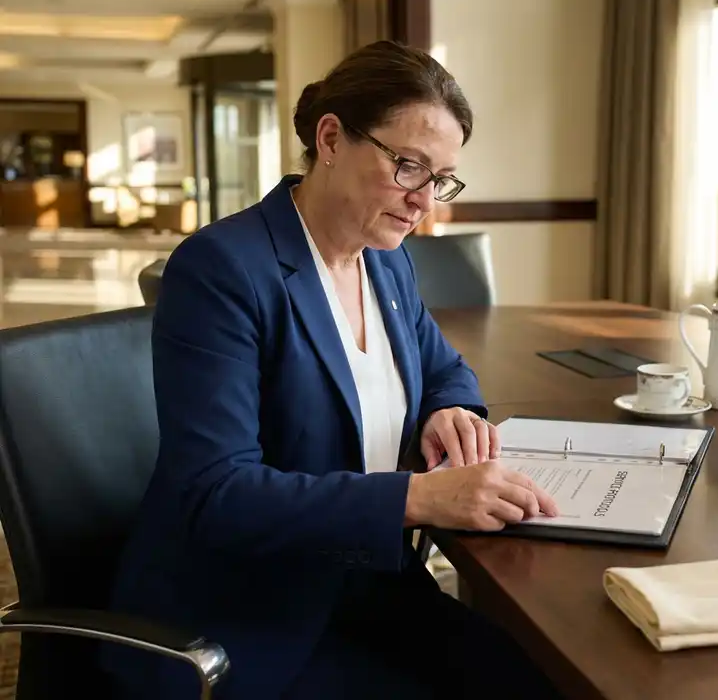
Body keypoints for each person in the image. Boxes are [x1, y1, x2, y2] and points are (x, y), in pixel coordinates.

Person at [102, 40, 563, 699]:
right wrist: (417, 497)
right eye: (409, 167)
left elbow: (444, 366)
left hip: (366, 584)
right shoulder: (223, 269)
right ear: (331, 139)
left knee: (538, 679)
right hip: (249, 620)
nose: (424, 201)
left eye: (440, 179)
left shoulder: (387, 259)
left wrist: (450, 408)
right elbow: (216, 493)